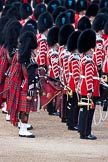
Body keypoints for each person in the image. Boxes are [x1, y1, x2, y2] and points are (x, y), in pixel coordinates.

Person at [77, 29, 100, 140]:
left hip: (83, 88)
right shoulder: (89, 61)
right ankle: (86, 132)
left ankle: (82, 130)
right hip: (89, 90)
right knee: (88, 112)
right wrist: (90, 90)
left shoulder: (83, 59)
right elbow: (89, 77)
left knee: (83, 110)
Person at [66, 30, 81, 130]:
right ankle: (73, 123)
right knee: (75, 105)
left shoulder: (72, 56)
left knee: (71, 104)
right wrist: (78, 85)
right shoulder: (75, 58)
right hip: (73, 83)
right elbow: (76, 74)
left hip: (70, 82)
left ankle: (71, 122)